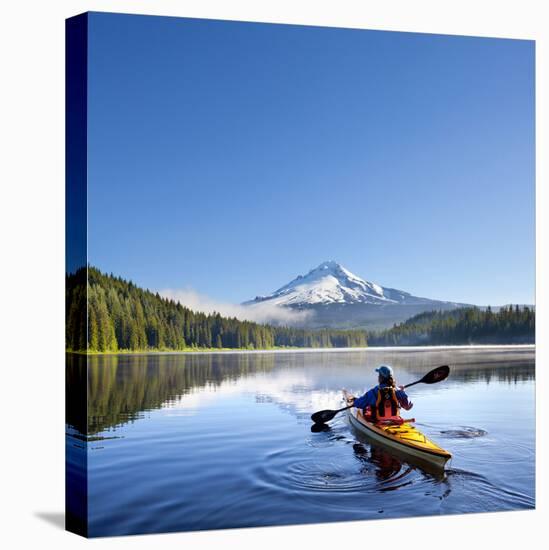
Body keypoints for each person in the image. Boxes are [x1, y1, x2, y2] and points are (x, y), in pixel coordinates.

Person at [345, 365, 413, 422]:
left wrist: (353, 401)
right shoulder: (398, 391)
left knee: (366, 407)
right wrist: (402, 391)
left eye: (379, 375)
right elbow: (408, 406)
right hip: (394, 420)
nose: (378, 377)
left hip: (376, 420)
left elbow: (358, 404)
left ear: (380, 378)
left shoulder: (373, 392)